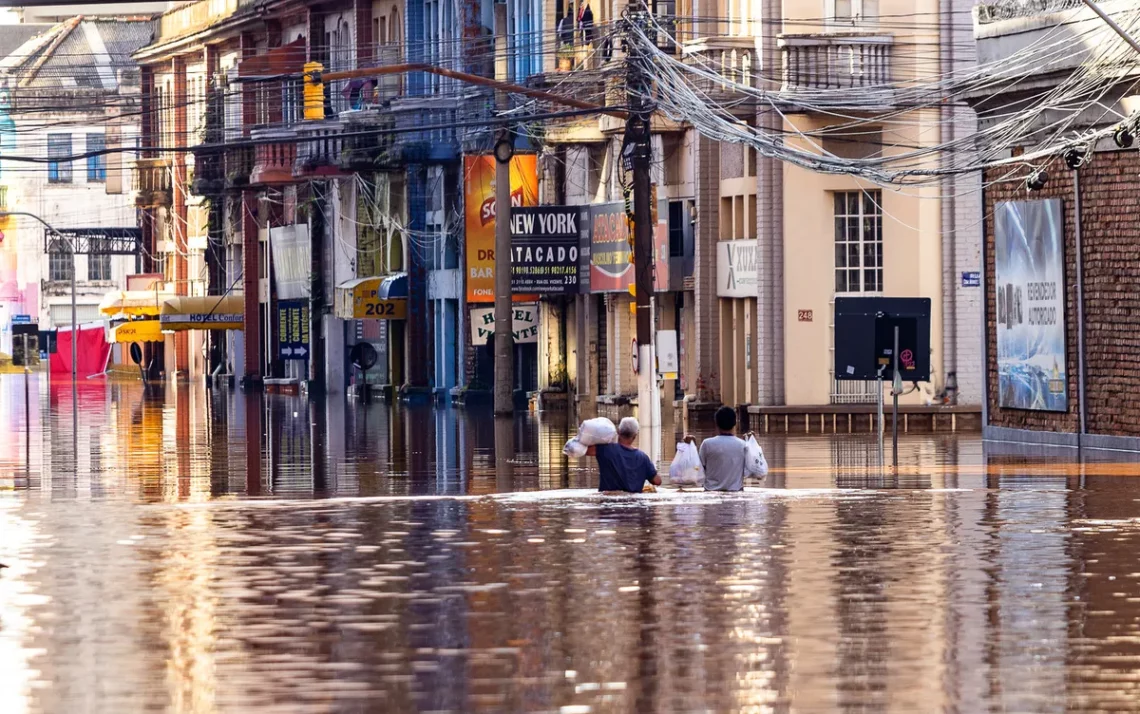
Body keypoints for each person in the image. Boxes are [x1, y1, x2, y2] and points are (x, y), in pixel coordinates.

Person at [586, 417, 661, 493]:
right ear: (635, 436)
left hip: (608, 501)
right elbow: (657, 481)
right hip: (635, 502)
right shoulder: (643, 458)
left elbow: (585, 450)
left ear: (618, 431)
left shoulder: (605, 450)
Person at [686, 405, 748, 492]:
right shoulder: (743, 445)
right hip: (736, 492)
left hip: (710, 492)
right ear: (734, 423)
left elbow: (697, 469)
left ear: (716, 423)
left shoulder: (707, 444)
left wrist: (691, 447)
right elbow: (752, 470)